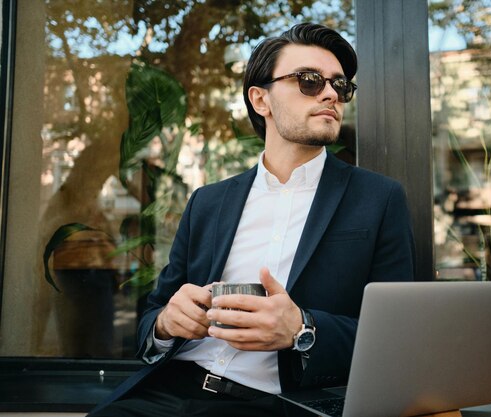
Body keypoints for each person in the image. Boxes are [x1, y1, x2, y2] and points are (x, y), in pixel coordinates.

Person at [88, 22, 417, 417]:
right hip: (168, 391)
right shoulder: (207, 202)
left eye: (341, 86)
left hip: (277, 403)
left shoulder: (378, 198)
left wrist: (303, 329)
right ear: (260, 100)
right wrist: (166, 324)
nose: (331, 93)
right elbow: (152, 316)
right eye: (310, 81)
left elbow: (399, 337)